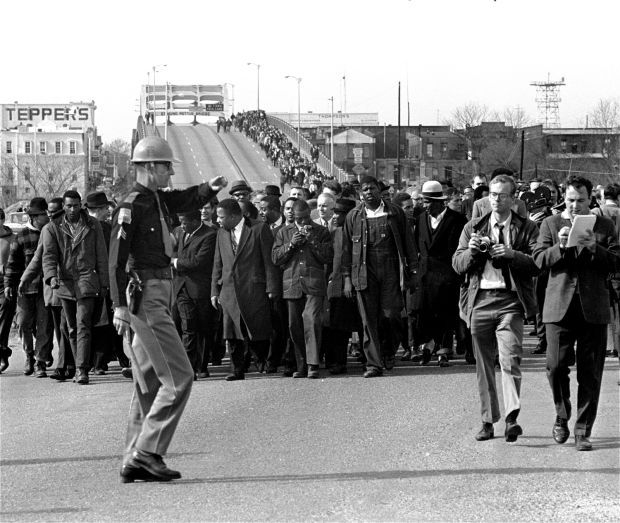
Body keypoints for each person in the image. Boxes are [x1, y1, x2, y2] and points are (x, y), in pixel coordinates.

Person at [109, 136, 227, 483]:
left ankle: (134, 454)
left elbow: (183, 198)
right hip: (145, 298)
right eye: (165, 166)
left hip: (159, 291)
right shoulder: (131, 206)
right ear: (147, 167)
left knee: (147, 383)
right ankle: (147, 453)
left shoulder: (156, 200)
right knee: (179, 378)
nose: (170, 172)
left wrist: (208, 188)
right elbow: (116, 261)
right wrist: (117, 306)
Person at [534, 175, 619, 451]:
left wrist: (595, 247)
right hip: (559, 307)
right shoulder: (550, 223)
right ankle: (562, 414)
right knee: (556, 366)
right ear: (564, 199)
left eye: (580, 200)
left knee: (590, 373)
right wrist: (560, 247)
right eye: (570, 200)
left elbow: (617, 262)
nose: (574, 206)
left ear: (589, 200)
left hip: (592, 307)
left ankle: (583, 430)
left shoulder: (605, 225)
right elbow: (538, 260)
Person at [453, 173, 539, 443]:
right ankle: (488, 421)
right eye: (492, 194)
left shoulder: (526, 228)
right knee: (484, 365)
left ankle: (512, 418)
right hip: (479, 300)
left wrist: (511, 255)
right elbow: (457, 263)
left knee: (510, 358)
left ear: (513, 198)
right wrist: (472, 252)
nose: (496, 199)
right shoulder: (473, 227)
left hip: (510, 301)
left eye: (502, 195)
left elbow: (538, 262)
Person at [341, 176, 417, 377]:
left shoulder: (395, 212)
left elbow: (408, 243)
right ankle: (373, 364)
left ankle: (388, 351)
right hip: (364, 272)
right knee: (368, 320)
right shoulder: (353, 216)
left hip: (391, 269)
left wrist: (413, 271)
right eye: (365, 189)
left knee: (391, 315)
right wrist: (347, 278)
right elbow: (346, 250)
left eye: (372, 188)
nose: (368, 192)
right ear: (360, 193)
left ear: (379, 190)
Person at [42, 190, 109, 385]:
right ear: (63, 206)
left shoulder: (93, 225)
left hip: (87, 281)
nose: (73, 209)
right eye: (69, 205)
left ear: (82, 205)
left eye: (76, 205)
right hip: (65, 283)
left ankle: (82, 370)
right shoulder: (53, 227)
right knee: (71, 328)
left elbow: (101, 256)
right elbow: (49, 256)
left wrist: (104, 283)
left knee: (83, 325)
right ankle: (77, 365)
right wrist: (51, 276)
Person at [211, 198, 280, 380]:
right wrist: (214, 291)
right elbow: (217, 264)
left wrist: (271, 287)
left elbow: (268, 260)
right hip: (229, 291)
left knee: (257, 329)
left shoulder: (258, 229)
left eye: (221, 217)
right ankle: (236, 369)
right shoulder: (221, 233)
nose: (218, 220)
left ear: (234, 216)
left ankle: (261, 359)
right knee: (231, 332)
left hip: (253, 289)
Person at [272, 199, 333, 378]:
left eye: (306, 218)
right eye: (299, 219)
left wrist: (312, 240)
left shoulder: (321, 231)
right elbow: (275, 258)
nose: (303, 222)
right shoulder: (284, 232)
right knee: (294, 326)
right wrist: (291, 244)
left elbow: (327, 256)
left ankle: (313, 364)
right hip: (292, 285)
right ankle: (302, 364)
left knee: (312, 321)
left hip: (313, 285)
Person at [412, 181, 467, 366]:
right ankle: (428, 344)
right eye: (423, 202)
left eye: (427, 202)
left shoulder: (458, 220)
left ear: (439, 202)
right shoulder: (420, 219)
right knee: (425, 312)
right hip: (425, 275)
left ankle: (443, 350)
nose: (425, 206)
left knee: (446, 312)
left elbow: (462, 249)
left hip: (448, 275)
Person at [4, 198, 53, 377]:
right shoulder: (21, 237)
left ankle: (40, 361)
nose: (46, 217)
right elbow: (13, 263)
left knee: (44, 325)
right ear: (33, 217)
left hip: (46, 288)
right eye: (42, 215)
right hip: (25, 289)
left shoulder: (50, 232)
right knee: (24, 323)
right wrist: (9, 284)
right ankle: (29, 356)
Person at [172, 210, 217, 379]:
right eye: (181, 223)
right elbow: (176, 251)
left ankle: (202, 365)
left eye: (185, 223)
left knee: (204, 328)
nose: (182, 226)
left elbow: (199, 261)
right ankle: (188, 368)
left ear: (196, 220)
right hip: (182, 288)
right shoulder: (182, 233)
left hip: (200, 289)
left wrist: (175, 262)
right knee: (188, 326)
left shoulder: (209, 235)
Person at [322, 198, 359, 374]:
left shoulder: (357, 232)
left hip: (356, 282)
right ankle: (335, 361)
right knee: (335, 325)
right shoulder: (333, 232)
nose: (335, 216)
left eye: (340, 213)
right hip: (335, 284)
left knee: (352, 324)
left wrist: (349, 280)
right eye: (335, 212)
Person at [0, 209, 16, 373]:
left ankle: (2, 352)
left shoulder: (12, 239)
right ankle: (3, 351)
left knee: (4, 319)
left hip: (6, 282)